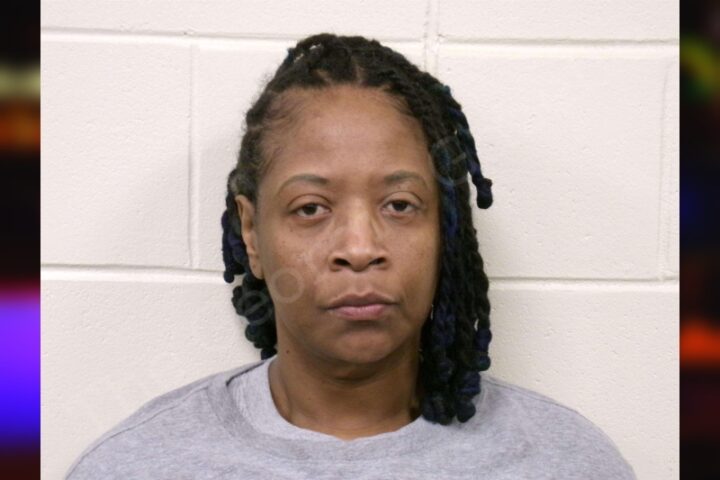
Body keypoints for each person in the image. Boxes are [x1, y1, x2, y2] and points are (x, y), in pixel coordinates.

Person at [66, 33, 636, 479]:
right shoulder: (135, 466)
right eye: (311, 208)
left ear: (446, 230)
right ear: (252, 234)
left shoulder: (566, 463)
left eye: (400, 205)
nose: (360, 249)